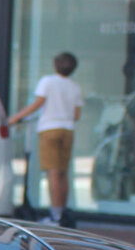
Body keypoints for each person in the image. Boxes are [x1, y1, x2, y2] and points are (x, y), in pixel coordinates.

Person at [7, 51, 83, 226]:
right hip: (68, 130)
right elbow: (77, 114)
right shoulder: (75, 87)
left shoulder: (48, 82)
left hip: (50, 129)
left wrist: (16, 118)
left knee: (53, 173)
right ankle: (62, 212)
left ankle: (55, 216)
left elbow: (38, 103)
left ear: (55, 64)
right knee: (63, 172)